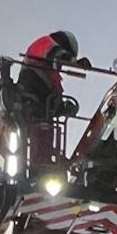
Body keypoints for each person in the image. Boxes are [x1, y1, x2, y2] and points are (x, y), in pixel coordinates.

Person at [15, 30, 88, 167]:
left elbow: (55, 100)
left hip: (40, 109)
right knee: (42, 130)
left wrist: (64, 108)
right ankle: (41, 164)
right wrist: (74, 62)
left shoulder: (51, 76)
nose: (61, 67)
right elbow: (55, 53)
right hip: (30, 100)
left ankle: (45, 162)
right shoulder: (44, 43)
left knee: (45, 131)